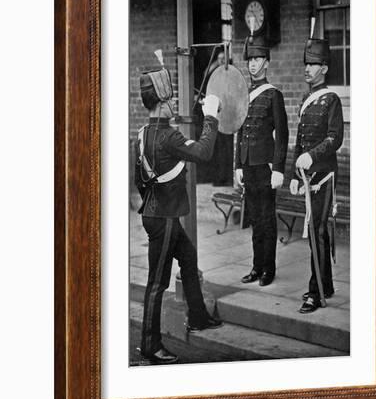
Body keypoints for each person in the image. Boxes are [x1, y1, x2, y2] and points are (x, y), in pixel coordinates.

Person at [135, 67, 223, 365]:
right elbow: (203, 153)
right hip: (165, 219)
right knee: (157, 283)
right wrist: (211, 116)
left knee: (188, 257)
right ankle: (150, 345)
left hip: (155, 213)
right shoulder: (169, 136)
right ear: (161, 102)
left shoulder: (143, 134)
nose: (174, 104)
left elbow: (139, 180)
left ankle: (197, 316)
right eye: (170, 99)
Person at [289, 38, 344, 313]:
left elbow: (335, 139)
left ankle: (316, 292)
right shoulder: (305, 101)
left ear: (324, 68)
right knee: (316, 234)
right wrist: (295, 175)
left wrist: (313, 155)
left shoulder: (331, 100)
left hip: (324, 177)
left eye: (312, 65)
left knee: (317, 232)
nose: (307, 69)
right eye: (306, 64)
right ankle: (327, 285)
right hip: (308, 178)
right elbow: (299, 140)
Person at [235, 35, 289, 287]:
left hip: (265, 167)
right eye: (250, 60)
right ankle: (256, 267)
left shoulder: (273, 95)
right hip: (248, 166)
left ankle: (269, 268)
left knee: (267, 219)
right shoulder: (245, 94)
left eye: (257, 59)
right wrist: (237, 164)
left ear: (266, 62)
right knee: (255, 219)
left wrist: (278, 168)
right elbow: (239, 130)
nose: (253, 64)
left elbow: (282, 135)